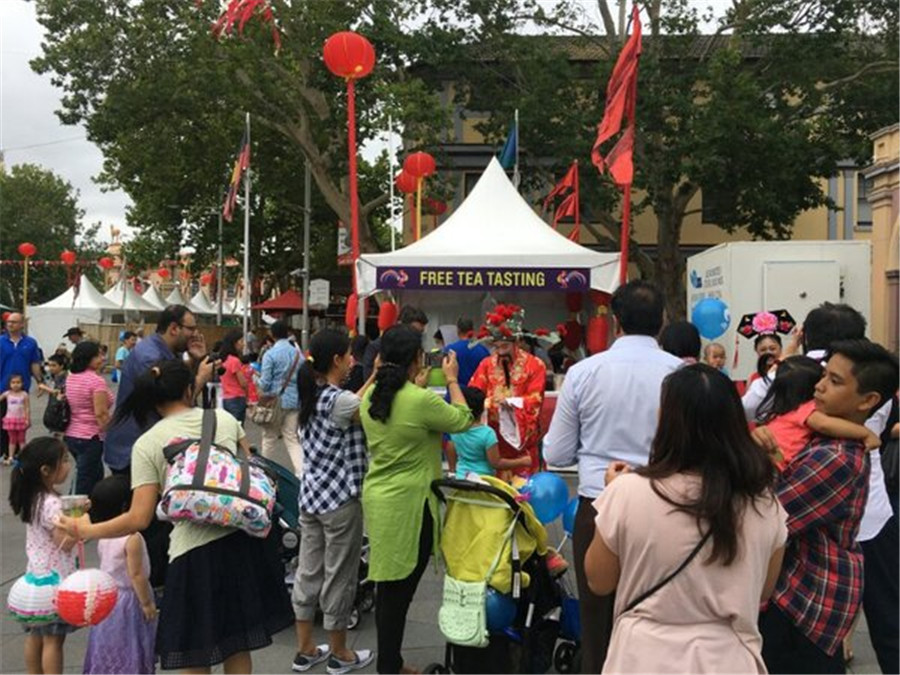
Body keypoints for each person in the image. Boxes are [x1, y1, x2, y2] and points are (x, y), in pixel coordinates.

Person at [58, 359, 292, 674]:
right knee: (237, 644)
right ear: (188, 389)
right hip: (239, 543)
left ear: (152, 399)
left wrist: (86, 529)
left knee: (193, 651)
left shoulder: (148, 443)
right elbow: (248, 471)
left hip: (191, 555)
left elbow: (138, 518)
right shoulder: (222, 419)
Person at [584, 364, 787, 673]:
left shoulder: (627, 493)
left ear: (668, 421)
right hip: (728, 657)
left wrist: (614, 498)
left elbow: (598, 581)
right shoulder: (764, 502)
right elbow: (763, 590)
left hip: (643, 656)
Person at [543, 280, 682, 674]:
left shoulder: (585, 373)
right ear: (663, 321)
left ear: (616, 321)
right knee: (657, 616)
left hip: (598, 507)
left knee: (596, 618)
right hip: (666, 506)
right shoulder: (680, 374)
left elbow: (556, 453)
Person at [756, 339, 899, 674]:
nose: (819, 387)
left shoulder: (834, 457)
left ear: (868, 400)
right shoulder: (823, 438)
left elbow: (771, 518)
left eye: (835, 382)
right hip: (802, 596)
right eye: (823, 376)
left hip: (804, 601)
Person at [359, 325, 472, 674]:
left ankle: (391, 661)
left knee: (389, 588)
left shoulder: (371, 396)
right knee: (399, 592)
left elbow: (401, 415)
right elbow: (463, 420)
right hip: (412, 504)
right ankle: (389, 667)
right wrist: (452, 380)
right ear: (416, 360)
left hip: (380, 500)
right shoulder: (419, 401)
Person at [291, 329, 377, 674]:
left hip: (311, 497)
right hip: (340, 500)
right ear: (337, 360)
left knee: (307, 571)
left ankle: (306, 649)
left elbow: (349, 404)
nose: (352, 360)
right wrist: (375, 376)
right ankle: (341, 652)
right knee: (340, 575)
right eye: (348, 355)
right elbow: (361, 409)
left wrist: (368, 376)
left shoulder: (313, 394)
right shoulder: (339, 401)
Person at [104, 305, 214, 475]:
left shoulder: (166, 351)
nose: (195, 334)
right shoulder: (150, 357)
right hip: (133, 449)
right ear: (174, 328)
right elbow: (173, 404)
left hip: (144, 444)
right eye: (191, 328)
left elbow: (178, 382)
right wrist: (201, 378)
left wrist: (193, 360)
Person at [8, 437, 77, 674]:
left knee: (36, 636)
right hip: (54, 582)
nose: (69, 465)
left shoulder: (34, 498)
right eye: (65, 461)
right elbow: (64, 543)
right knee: (53, 641)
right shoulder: (52, 504)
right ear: (46, 470)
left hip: (35, 579)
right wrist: (78, 523)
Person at [83, 475, 157, 674]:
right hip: (128, 600)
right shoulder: (132, 538)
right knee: (130, 640)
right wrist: (147, 603)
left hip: (108, 596)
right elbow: (136, 574)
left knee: (108, 641)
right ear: (126, 507)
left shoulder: (103, 534)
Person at [755, 356, 879, 470]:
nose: (821, 386)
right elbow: (824, 425)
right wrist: (865, 433)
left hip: (768, 459)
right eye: (823, 377)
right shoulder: (805, 409)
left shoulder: (782, 414)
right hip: (775, 465)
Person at [469, 305, 547, 477]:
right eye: (497, 347)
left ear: (517, 342)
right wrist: (490, 403)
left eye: (505, 346)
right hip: (492, 446)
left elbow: (535, 400)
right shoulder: (486, 364)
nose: (499, 352)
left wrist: (510, 404)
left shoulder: (535, 365)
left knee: (524, 497)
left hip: (521, 445)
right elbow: (473, 396)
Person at [445, 386, 530, 479]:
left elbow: (450, 446)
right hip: (483, 482)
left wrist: (452, 471)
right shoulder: (487, 433)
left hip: (461, 478)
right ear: (482, 409)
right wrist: (522, 461)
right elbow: (496, 463)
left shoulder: (456, 429)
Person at [63, 341, 114, 495]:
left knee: (94, 475)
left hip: (72, 434)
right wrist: (112, 432)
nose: (102, 358)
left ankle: (95, 509)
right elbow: (101, 414)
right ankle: (78, 512)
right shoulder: (95, 381)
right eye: (98, 355)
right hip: (90, 436)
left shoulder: (71, 377)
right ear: (88, 358)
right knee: (85, 480)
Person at [258, 320, 303, 474]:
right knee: (291, 437)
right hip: (295, 400)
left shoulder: (270, 354)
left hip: (274, 402)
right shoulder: (298, 354)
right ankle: (301, 473)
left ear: (272, 334)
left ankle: (264, 471)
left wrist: (256, 380)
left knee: (269, 437)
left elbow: (264, 384)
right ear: (288, 333)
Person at [0, 312, 43, 470]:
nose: (10, 324)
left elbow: (35, 363)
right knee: (3, 421)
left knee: (20, 421)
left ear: (22, 324)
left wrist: (40, 381)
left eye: (14, 322)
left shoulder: (30, 343)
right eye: (8, 322)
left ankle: (18, 453)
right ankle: (5, 452)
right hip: (2, 387)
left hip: (21, 390)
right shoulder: (1, 341)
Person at [361, 305, 428, 381]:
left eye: (420, 333)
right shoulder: (378, 346)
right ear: (400, 324)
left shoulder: (417, 349)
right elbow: (368, 378)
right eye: (414, 330)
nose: (416, 336)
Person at [444, 318, 490, 387]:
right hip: (476, 393)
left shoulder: (449, 350)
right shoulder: (483, 350)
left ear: (458, 330)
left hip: (455, 391)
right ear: (472, 331)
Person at [219, 329, 249, 424]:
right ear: (234, 343)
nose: (243, 344)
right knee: (238, 428)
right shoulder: (235, 361)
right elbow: (243, 383)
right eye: (241, 341)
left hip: (226, 398)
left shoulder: (223, 359)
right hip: (237, 398)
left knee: (230, 427)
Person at [1, 375, 30, 465]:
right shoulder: (7, 394)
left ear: (22, 383)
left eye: (18, 382)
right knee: (12, 439)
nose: (15, 385)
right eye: (13, 382)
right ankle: (11, 457)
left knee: (21, 439)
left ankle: (24, 457)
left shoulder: (24, 395)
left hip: (21, 420)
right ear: (9, 384)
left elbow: (27, 408)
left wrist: (27, 419)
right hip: (10, 420)